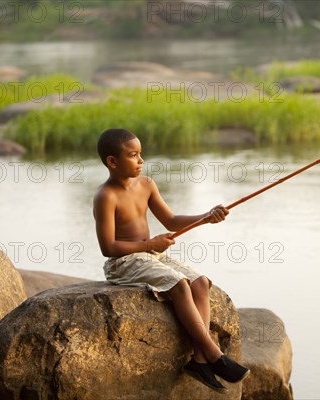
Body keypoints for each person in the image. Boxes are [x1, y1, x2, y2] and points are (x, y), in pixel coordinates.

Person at [92, 128, 249, 392]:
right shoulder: (105, 196)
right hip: (123, 262)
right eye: (133, 155)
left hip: (150, 253)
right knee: (178, 285)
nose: (141, 160)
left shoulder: (146, 185)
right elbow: (108, 247)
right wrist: (149, 244)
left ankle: (199, 361)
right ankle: (213, 354)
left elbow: (171, 221)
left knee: (200, 282)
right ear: (112, 162)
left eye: (141, 154)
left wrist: (206, 216)